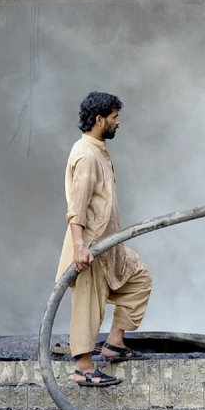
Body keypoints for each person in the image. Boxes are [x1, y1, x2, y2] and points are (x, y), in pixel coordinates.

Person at [56, 91, 152, 388]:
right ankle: (83, 368)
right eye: (114, 117)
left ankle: (114, 344)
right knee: (87, 304)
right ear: (99, 119)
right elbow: (78, 206)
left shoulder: (98, 150)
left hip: (110, 244)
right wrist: (80, 246)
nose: (118, 122)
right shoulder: (86, 155)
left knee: (139, 280)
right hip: (92, 245)